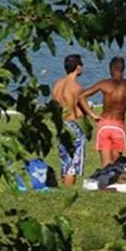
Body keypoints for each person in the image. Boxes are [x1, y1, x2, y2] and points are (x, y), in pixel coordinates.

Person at [79, 56, 126, 166]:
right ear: (123, 68)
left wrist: (92, 114)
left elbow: (81, 97)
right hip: (118, 126)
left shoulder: (104, 83)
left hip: (104, 125)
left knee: (106, 165)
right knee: (116, 165)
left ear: (111, 68)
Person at [52, 53, 95, 186]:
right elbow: (81, 110)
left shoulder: (57, 84)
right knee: (74, 164)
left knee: (65, 161)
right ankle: (69, 190)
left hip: (61, 125)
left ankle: (64, 188)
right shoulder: (77, 87)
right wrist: (91, 112)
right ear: (78, 67)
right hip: (73, 125)